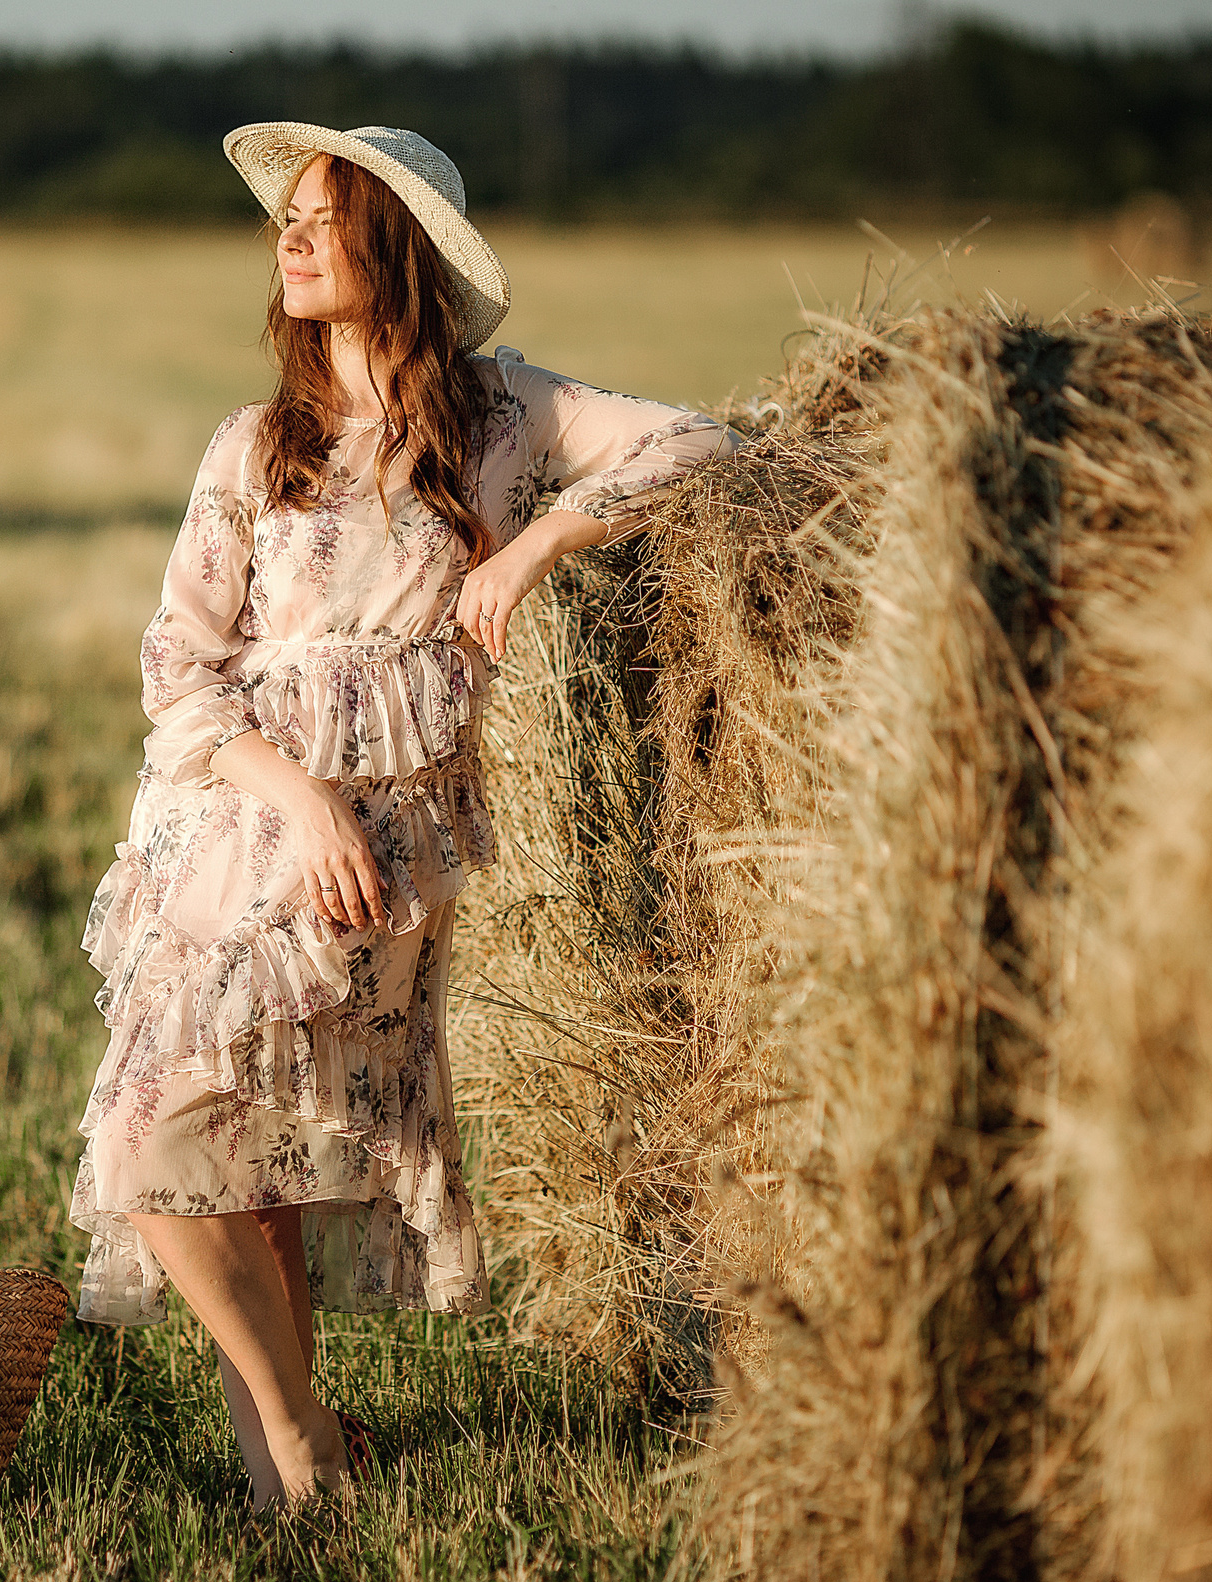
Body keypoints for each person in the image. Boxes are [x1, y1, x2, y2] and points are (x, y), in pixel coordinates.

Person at [68, 122, 738, 1510]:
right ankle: (301, 1433)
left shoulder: (502, 420)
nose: (289, 239)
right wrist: (298, 799)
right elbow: (176, 672)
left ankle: (283, 1461)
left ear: (402, 249)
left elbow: (705, 443)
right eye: (287, 220)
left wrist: (550, 536)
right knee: (155, 1132)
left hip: (389, 844)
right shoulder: (255, 444)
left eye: (323, 217)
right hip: (240, 810)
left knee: (256, 1140)